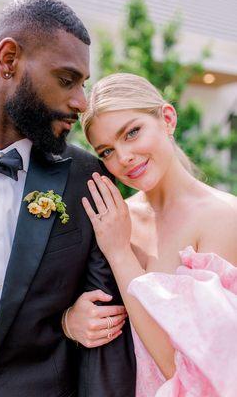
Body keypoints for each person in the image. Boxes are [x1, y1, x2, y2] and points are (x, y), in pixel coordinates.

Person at [0, 0, 136, 396]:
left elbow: (106, 329)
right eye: (67, 80)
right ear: (9, 59)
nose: (81, 101)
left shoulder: (87, 177)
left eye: (83, 84)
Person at [77, 72, 237, 396]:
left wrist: (120, 254)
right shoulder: (114, 218)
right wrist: (72, 319)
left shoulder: (223, 218)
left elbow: (185, 369)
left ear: (167, 118)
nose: (123, 158)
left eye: (132, 132)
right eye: (106, 151)